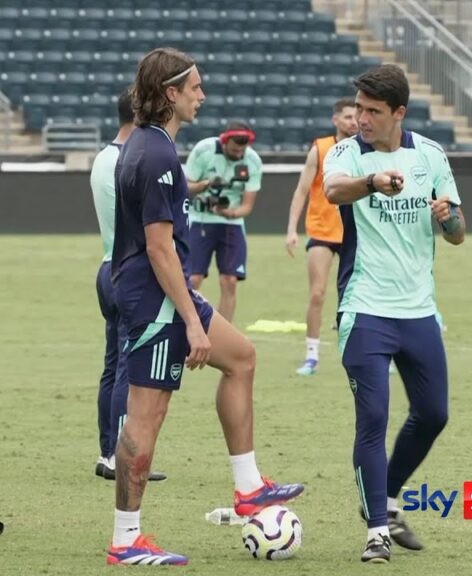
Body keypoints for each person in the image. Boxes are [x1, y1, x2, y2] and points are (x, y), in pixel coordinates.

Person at [106, 47, 302, 565]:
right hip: (155, 299)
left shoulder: (149, 146)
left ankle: (249, 488)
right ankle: (126, 539)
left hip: (161, 292)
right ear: (169, 93)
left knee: (241, 357)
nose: (203, 96)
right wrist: (192, 320)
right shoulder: (158, 154)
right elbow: (158, 247)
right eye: (195, 87)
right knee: (147, 415)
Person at [323, 64, 465, 563]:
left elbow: (459, 230)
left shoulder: (430, 155)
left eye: (373, 111)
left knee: (434, 414)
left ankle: (385, 495)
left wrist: (447, 218)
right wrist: (373, 182)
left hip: (419, 311)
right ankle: (376, 531)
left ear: (398, 113)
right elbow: (334, 190)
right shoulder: (346, 153)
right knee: (374, 420)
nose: (361, 118)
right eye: (358, 108)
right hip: (365, 309)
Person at [90, 87, 166, 482]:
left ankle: (107, 450)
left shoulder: (103, 157)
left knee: (111, 365)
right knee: (126, 367)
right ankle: (120, 454)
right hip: (128, 270)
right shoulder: (130, 161)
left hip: (106, 266)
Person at [285, 99, 359, 376]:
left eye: (356, 116)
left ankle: (361, 353)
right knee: (317, 293)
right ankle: (312, 356)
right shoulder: (320, 149)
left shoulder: (363, 148)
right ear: (336, 120)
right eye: (348, 117)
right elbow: (302, 191)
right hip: (322, 230)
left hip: (355, 232)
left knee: (356, 297)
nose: (353, 121)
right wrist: (292, 229)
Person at [184, 119, 264, 323]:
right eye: (235, 149)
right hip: (199, 219)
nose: (239, 154)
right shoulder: (204, 150)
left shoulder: (253, 161)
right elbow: (186, 186)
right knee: (193, 279)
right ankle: (187, 328)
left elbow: (247, 206)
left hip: (232, 224)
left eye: (242, 150)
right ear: (225, 142)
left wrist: (229, 213)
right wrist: (205, 186)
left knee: (230, 281)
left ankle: (224, 335)